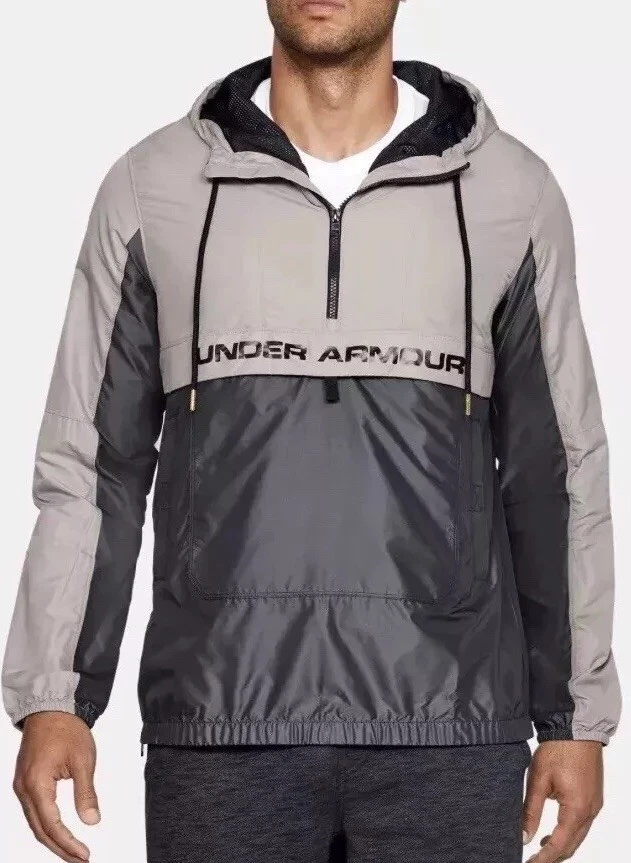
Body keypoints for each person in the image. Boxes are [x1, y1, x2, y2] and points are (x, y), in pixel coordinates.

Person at [3, 1, 621, 862]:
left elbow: (555, 472)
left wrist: (573, 717)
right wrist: (55, 696)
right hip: (220, 725)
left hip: (450, 730)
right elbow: (91, 464)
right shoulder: (153, 188)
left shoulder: (509, 194)